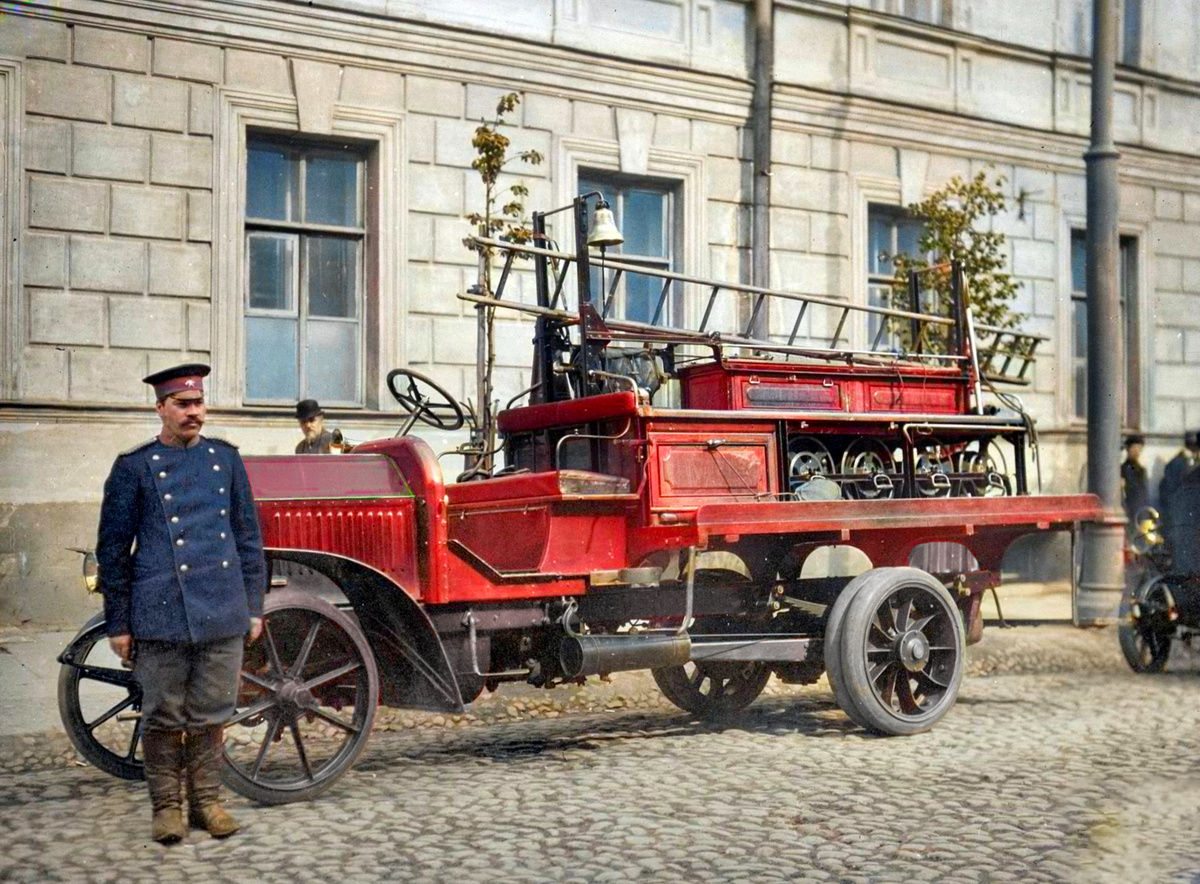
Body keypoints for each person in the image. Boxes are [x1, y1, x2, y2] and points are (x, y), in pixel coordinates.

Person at [96, 363, 266, 844]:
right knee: (164, 714)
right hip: (161, 611)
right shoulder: (134, 467)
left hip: (222, 607)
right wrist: (120, 624)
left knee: (212, 712)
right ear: (161, 409)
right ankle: (167, 808)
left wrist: (252, 607)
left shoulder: (226, 460)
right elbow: (113, 551)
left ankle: (208, 803)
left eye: (199, 403)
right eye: (183, 405)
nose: (194, 413)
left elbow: (249, 541)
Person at [1121, 434, 1149, 529]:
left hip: (1141, 514)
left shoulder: (1142, 470)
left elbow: (1144, 495)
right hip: (1128, 514)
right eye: (1134, 448)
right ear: (1128, 449)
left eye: (1139, 449)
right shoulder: (1122, 470)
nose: (1137, 452)